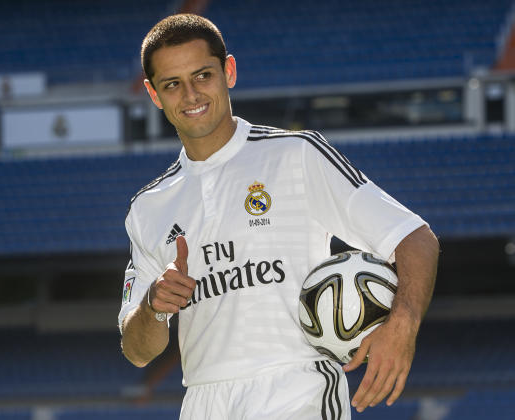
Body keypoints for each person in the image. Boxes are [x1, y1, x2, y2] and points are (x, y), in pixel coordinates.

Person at [118, 13, 439, 420]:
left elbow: (415, 238)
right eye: (172, 84)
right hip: (203, 402)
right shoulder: (149, 207)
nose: (191, 94)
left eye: (202, 75)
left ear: (228, 70)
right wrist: (153, 305)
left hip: (295, 389)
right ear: (153, 94)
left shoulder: (296, 154)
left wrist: (402, 326)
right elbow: (137, 350)